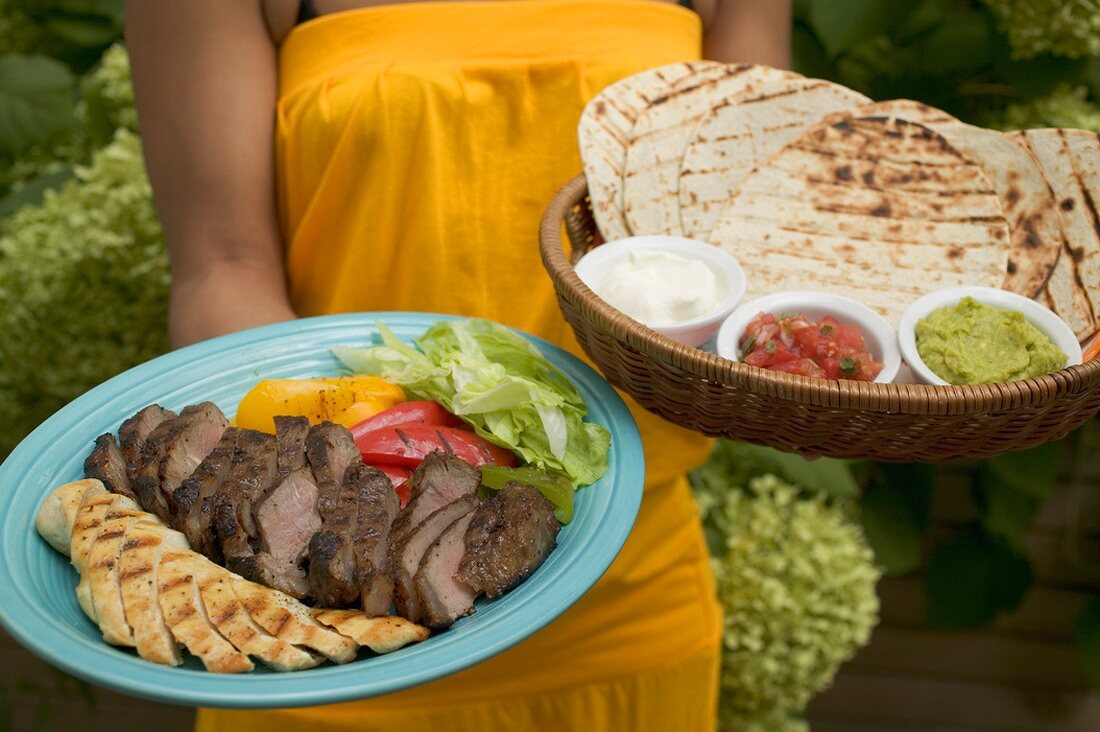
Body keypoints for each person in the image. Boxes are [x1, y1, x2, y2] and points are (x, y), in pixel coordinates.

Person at [125, 1, 791, 729]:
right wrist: (320, 525)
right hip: (332, 613)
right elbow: (223, 265)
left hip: (627, 595)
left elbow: (752, 243)